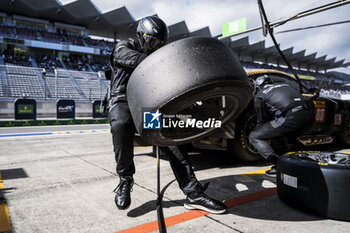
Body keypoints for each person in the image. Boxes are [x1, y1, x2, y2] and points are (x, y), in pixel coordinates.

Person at [106, 16, 226, 214]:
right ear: (141, 36)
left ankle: (193, 193)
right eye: (152, 42)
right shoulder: (124, 45)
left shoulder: (156, 57)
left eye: (160, 44)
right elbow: (124, 56)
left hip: (146, 105)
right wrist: (157, 63)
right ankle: (125, 179)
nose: (155, 47)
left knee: (171, 139)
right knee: (121, 125)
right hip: (121, 100)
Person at [248, 75, 314, 177]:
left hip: (291, 117)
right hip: (309, 116)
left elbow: (261, 121)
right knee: (288, 138)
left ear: (258, 86)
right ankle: (306, 161)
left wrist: (257, 132)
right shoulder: (285, 85)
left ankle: (279, 166)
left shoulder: (260, 95)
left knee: (255, 137)